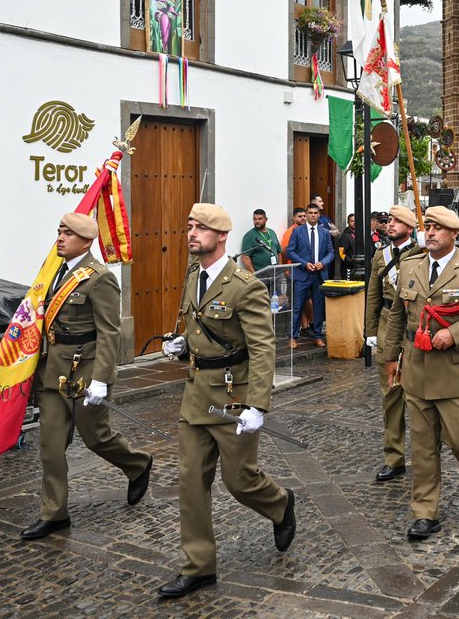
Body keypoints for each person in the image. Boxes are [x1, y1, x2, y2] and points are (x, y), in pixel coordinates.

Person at [157, 203, 296, 598]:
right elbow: (199, 328)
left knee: (239, 480)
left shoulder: (245, 285)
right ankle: (198, 566)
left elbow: (262, 347)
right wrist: (184, 345)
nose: (192, 233)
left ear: (221, 236)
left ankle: (281, 504)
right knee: (190, 481)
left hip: (234, 397)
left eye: (201, 228)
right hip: (197, 394)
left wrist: (258, 404)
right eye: (189, 226)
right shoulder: (192, 276)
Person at [21, 212, 153, 541]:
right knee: (50, 446)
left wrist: (101, 379)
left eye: (68, 233)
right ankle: (54, 513)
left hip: (86, 371)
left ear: (86, 241)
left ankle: (137, 464)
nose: (60, 238)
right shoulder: (53, 273)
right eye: (59, 231)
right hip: (53, 371)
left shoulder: (99, 277)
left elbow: (109, 332)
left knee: (96, 438)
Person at [380, 205, 459, 540]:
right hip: (417, 370)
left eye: (437, 228)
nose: (430, 233)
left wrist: (456, 333)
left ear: (453, 234)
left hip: (457, 372)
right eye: (427, 227)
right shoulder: (410, 266)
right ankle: (426, 512)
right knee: (422, 446)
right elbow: (397, 314)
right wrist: (390, 356)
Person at [364, 205, 418, 483]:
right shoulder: (379, 256)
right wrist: (370, 329)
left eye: (397, 221)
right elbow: (372, 294)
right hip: (387, 328)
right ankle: (393, 457)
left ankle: (424, 456)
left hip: (414, 328)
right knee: (390, 397)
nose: (390, 224)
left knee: (418, 398)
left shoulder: (421, 253)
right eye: (389, 221)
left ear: (409, 228)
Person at [286, 202, 334, 348]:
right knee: (297, 306)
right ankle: (293, 337)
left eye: (316, 213)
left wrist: (323, 263)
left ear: (319, 215)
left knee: (318, 307)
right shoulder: (297, 232)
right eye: (310, 213)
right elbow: (290, 251)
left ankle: (318, 336)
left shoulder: (324, 232)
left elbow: (331, 252)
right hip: (302, 274)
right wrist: (304, 263)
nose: (313, 215)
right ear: (306, 215)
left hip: (319, 274)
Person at [239, 209, 280, 273]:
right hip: (261, 275)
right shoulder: (250, 235)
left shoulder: (272, 232)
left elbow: (278, 252)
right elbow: (245, 257)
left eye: (260, 219)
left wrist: (279, 269)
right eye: (255, 219)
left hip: (275, 274)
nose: (257, 221)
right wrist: (255, 275)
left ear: (266, 219)